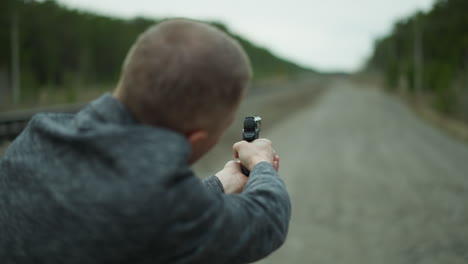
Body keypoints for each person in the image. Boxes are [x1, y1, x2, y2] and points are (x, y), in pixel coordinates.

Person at [0, 18, 291, 263]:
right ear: (194, 139)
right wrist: (261, 163)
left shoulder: (34, 139)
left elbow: (131, 208)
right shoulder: (163, 203)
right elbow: (266, 220)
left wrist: (219, 183)